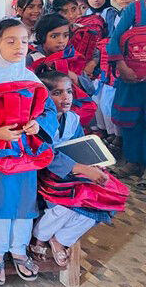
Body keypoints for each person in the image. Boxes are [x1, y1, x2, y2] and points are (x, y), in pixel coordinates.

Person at [0, 18, 58, 285]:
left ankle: (19, 249)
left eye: (23, 41)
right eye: (10, 41)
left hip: (24, 151)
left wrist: (38, 124)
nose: (19, 47)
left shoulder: (27, 75)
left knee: (23, 199)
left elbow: (48, 110)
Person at [29, 71, 113, 266]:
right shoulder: (37, 122)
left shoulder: (73, 119)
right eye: (57, 93)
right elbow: (46, 154)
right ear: (44, 98)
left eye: (69, 91)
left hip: (71, 172)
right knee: (70, 202)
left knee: (101, 198)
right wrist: (81, 169)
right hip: (45, 174)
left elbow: (78, 147)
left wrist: (92, 164)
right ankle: (39, 237)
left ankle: (60, 239)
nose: (66, 97)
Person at [108, 0, 146, 182]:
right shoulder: (136, 8)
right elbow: (115, 39)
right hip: (132, 76)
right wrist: (122, 67)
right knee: (130, 119)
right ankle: (133, 162)